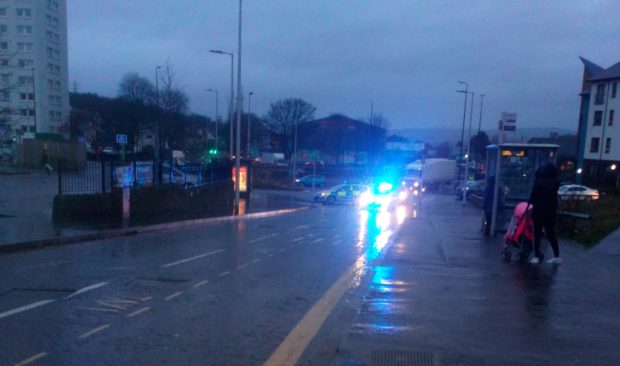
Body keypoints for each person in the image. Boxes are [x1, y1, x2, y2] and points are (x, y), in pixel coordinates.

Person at [528, 163, 561, 264]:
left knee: (537, 233)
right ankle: (556, 256)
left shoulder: (538, 182)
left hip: (538, 210)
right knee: (551, 234)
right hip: (551, 211)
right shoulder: (556, 182)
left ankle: (537, 256)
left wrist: (530, 203)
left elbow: (533, 196)